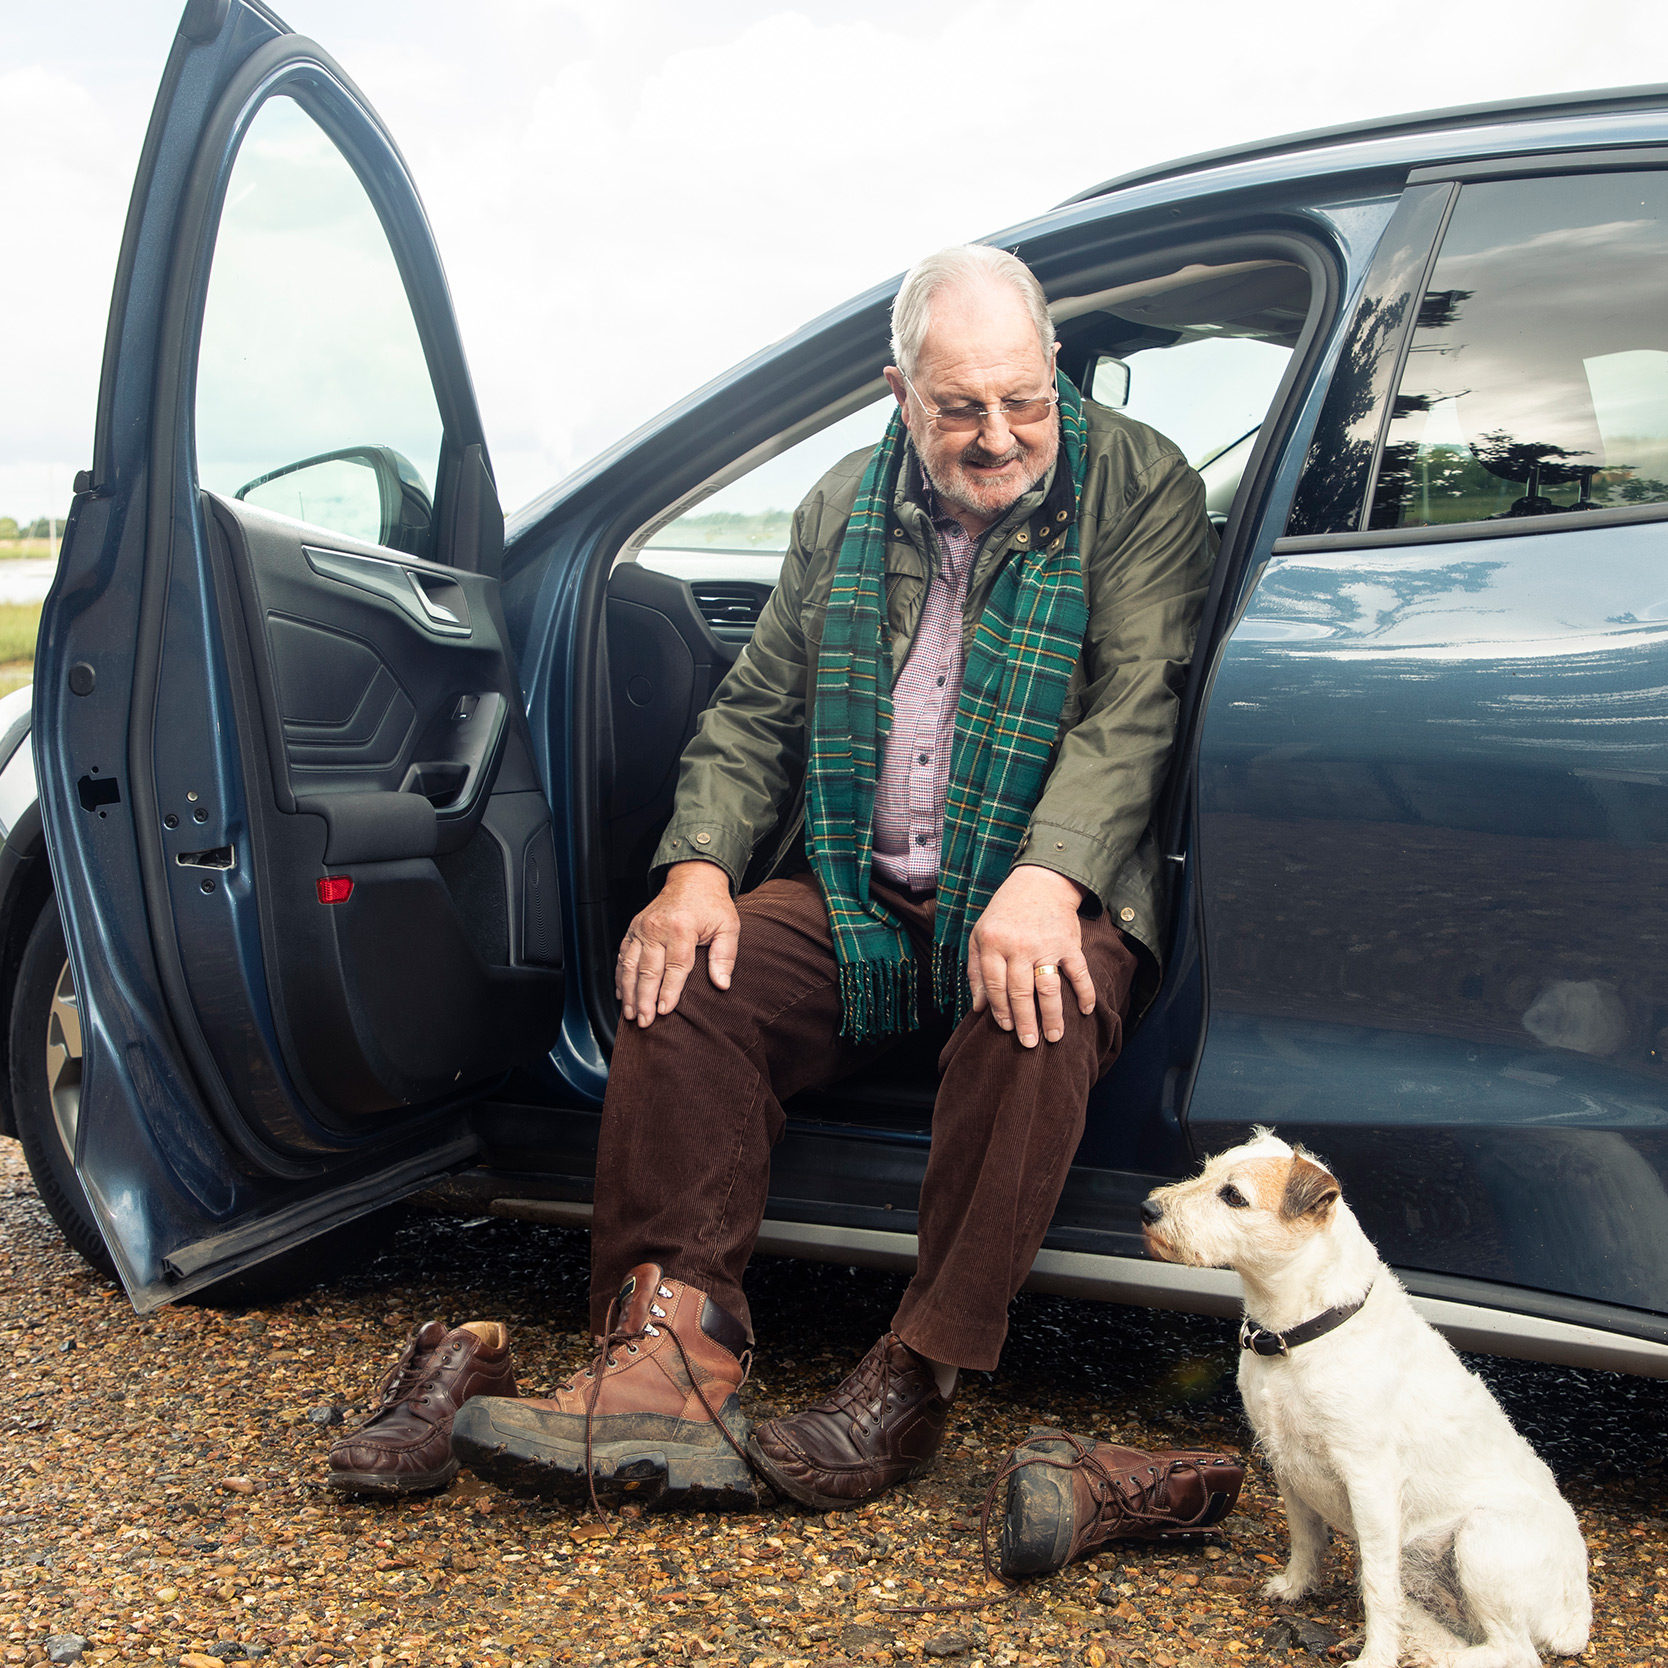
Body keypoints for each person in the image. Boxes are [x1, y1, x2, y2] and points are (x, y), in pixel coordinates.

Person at [451, 244, 1217, 1524]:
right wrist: (696, 865)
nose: (995, 436)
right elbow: (757, 712)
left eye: (1023, 401)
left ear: (1055, 372)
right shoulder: (843, 503)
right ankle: (667, 1355)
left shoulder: (1138, 483)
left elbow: (1137, 709)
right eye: (958, 406)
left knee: (1042, 1003)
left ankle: (919, 1370)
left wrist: (1052, 876)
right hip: (865, 893)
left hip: (1044, 884)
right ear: (897, 389)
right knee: (686, 975)